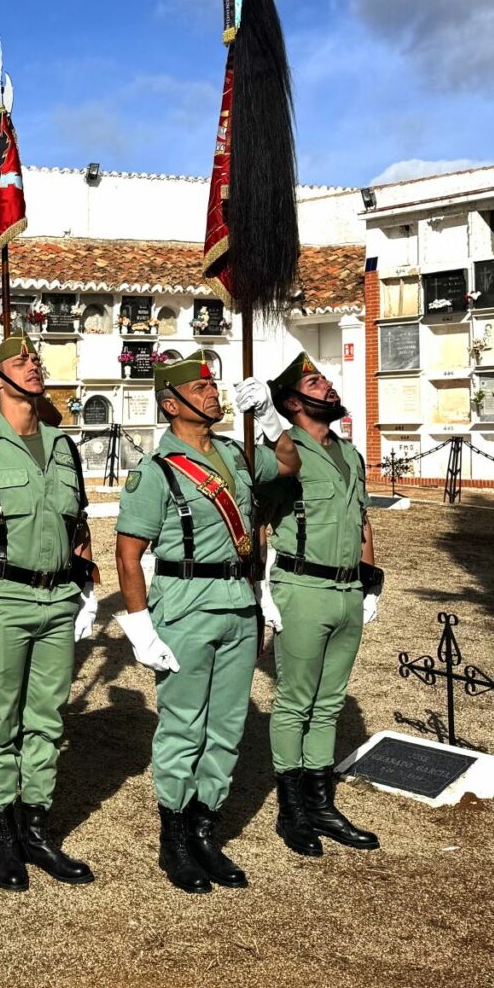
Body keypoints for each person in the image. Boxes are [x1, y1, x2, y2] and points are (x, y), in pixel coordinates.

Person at [113, 351, 300, 894]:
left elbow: (287, 465)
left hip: (238, 602)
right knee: (182, 727)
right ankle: (173, 840)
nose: (213, 393)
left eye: (212, 386)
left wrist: (269, 419)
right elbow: (129, 553)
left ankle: (204, 831)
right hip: (186, 605)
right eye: (200, 388)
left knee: (226, 728)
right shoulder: (156, 470)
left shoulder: (236, 456)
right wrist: (139, 625)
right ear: (172, 404)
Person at [0, 335, 99, 892]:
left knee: (48, 718)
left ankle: (36, 828)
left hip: (57, 600)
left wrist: (87, 584)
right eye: (20, 362)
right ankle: (4, 834)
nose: (33, 366)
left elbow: (76, 525)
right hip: (1, 599)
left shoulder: (63, 445)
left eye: (35, 359)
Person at [257, 354, 382, 855]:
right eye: (315, 381)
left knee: (328, 704)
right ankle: (292, 812)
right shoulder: (286, 453)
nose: (328, 387)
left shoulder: (349, 454)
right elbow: (259, 518)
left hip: (349, 590)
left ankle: (321, 804)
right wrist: (262, 587)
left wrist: (372, 582)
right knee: (294, 701)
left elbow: (363, 521)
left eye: (327, 379)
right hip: (303, 588)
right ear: (293, 402)